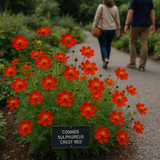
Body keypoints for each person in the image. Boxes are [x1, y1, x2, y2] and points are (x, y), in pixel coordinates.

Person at [124, 0, 155, 71]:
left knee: (132, 43)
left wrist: (126, 24)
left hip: (135, 24)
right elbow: (152, 13)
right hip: (146, 25)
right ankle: (142, 66)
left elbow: (130, 12)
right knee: (144, 44)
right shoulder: (149, 0)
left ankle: (132, 63)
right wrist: (153, 24)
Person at [92, 0, 120, 69]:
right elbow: (117, 20)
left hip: (102, 29)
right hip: (112, 30)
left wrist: (93, 28)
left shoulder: (101, 7)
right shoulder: (115, 8)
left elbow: (96, 18)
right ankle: (106, 59)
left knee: (103, 45)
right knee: (108, 45)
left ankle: (105, 59)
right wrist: (118, 29)